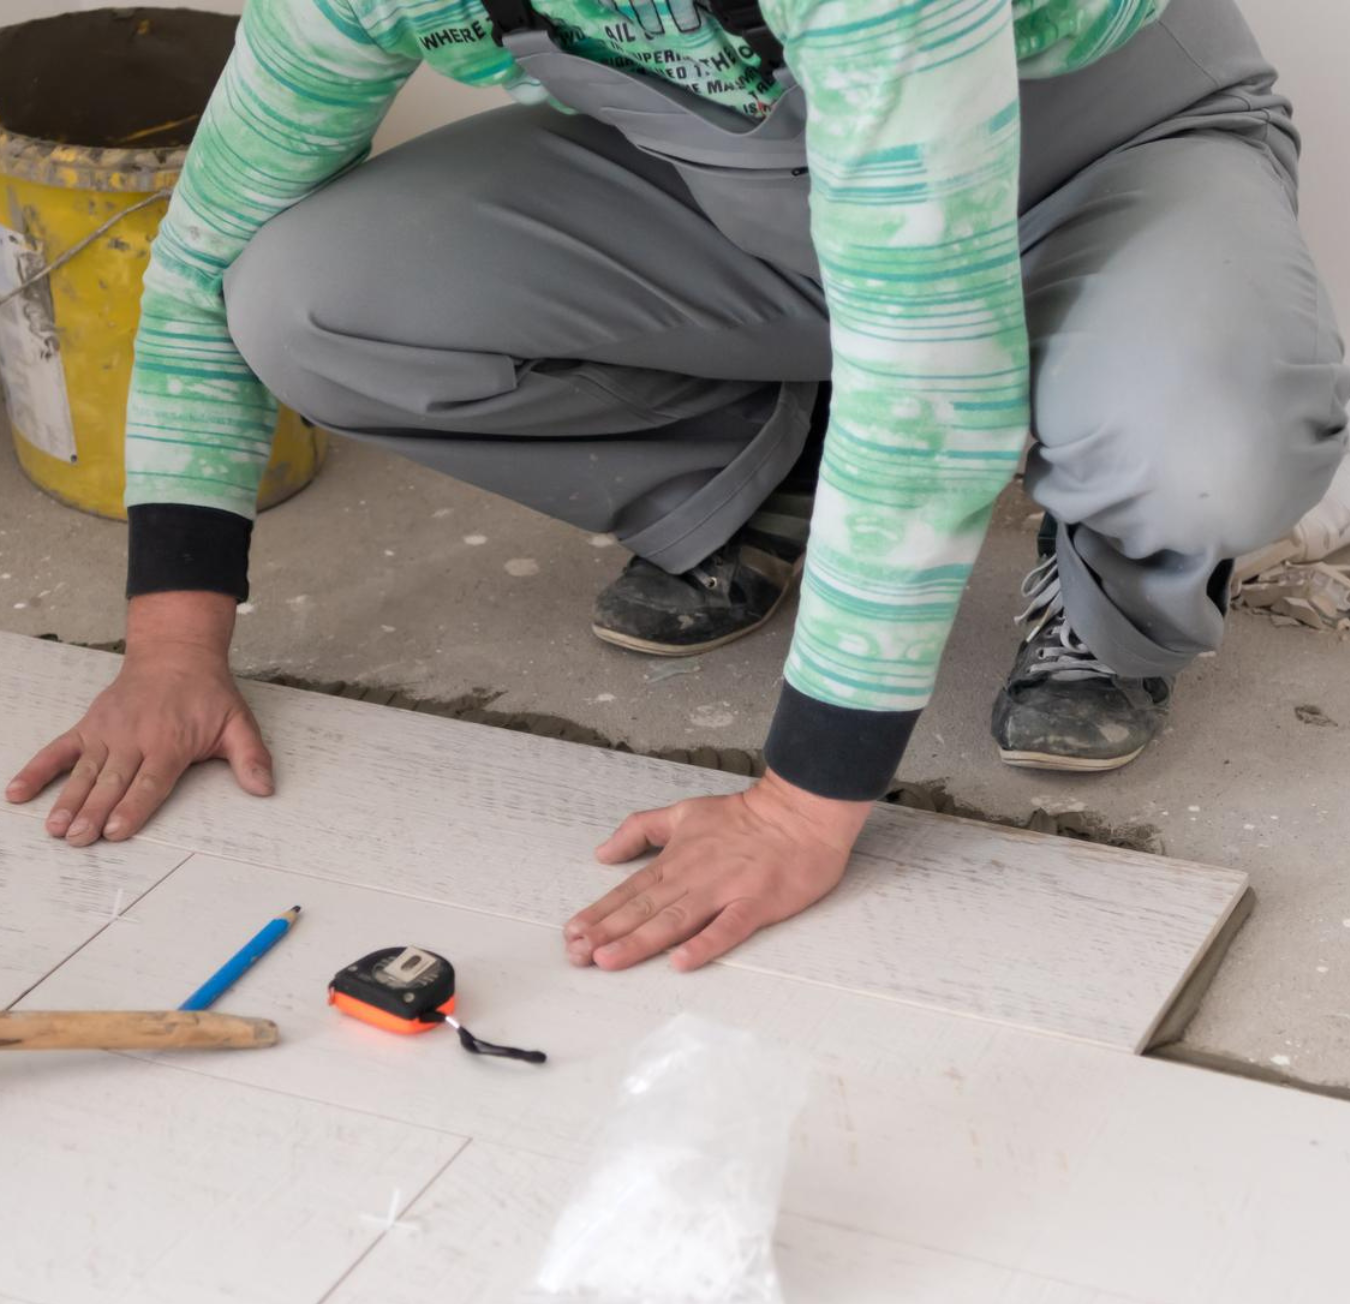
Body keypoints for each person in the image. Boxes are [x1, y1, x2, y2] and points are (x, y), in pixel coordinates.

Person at [7, 0, 1348, 973]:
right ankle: (759, 473)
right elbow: (199, 262)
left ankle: (1106, 574)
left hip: (1090, 175)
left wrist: (798, 807)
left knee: (1202, 448)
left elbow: (928, 370)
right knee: (303, 297)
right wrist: (172, 645)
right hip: (762, 212)